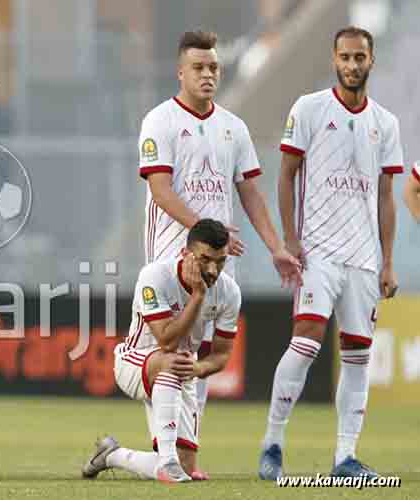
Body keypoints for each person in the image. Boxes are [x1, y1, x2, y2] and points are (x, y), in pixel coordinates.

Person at [137, 30, 301, 476]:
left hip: (218, 259)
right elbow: (160, 189)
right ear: (180, 72)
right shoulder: (160, 121)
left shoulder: (234, 127)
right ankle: (168, 454)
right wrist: (207, 232)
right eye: (199, 68)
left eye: (213, 68)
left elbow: (250, 192)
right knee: (169, 351)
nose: (208, 74)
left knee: (202, 356)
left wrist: (276, 248)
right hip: (172, 256)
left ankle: (176, 456)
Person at [258, 26, 402, 481]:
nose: (353, 65)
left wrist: (388, 260)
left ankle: (345, 458)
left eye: (360, 57)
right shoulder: (310, 108)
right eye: (345, 57)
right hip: (318, 252)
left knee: (358, 357)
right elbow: (285, 175)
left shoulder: (387, 123)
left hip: (363, 260)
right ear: (334, 59)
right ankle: (273, 444)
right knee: (304, 345)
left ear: (371, 61)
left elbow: (385, 196)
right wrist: (289, 239)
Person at [82, 219, 241, 483]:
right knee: (172, 359)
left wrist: (200, 368)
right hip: (135, 361)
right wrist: (198, 296)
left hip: (181, 370)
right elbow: (166, 340)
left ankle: (111, 455)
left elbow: (222, 354)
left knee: (188, 468)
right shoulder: (155, 276)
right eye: (205, 259)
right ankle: (167, 462)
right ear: (186, 253)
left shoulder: (229, 292)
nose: (213, 270)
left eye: (221, 261)